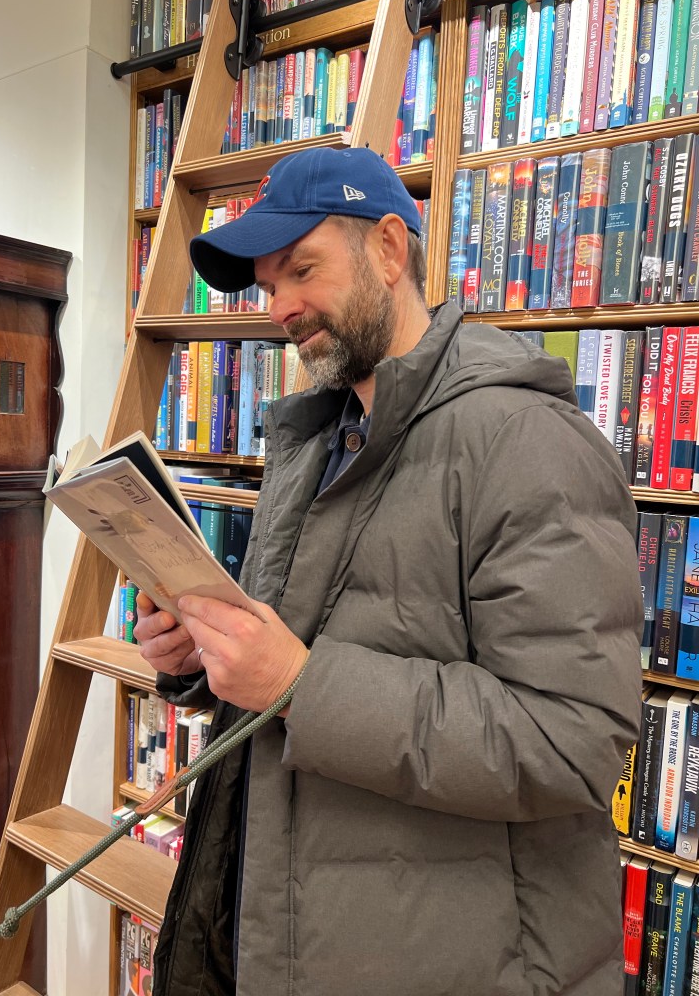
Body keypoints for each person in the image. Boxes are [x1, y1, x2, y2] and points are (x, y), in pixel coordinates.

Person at [134, 145, 643, 996]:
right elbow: (292, 657)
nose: (281, 308)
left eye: (302, 270)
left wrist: (300, 685)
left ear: (389, 249)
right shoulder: (315, 440)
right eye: (267, 286)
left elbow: (573, 740)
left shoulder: (527, 442)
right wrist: (207, 657)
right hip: (291, 936)